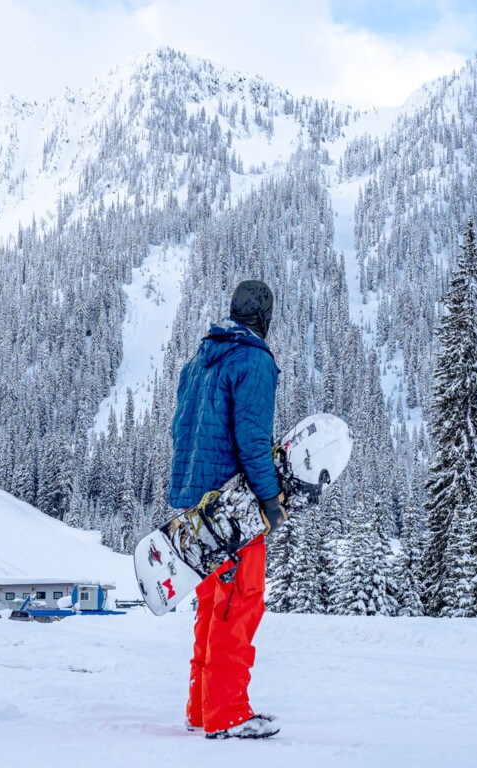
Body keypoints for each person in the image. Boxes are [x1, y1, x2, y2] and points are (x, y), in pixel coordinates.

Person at [169, 279, 284, 740]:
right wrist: (270, 500)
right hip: (232, 508)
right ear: (265, 317)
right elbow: (253, 439)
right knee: (239, 605)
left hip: (193, 505)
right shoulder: (253, 360)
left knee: (211, 606)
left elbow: (181, 431)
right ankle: (228, 712)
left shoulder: (199, 361)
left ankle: (202, 707)